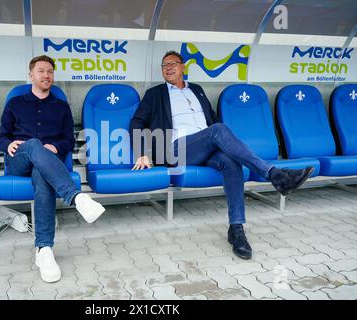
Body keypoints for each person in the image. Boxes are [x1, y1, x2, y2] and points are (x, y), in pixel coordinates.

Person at [129, 51, 314, 260]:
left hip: (206, 146)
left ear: (183, 67)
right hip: (176, 149)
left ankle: (236, 229)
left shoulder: (196, 90)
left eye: (173, 64)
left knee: (230, 161)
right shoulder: (156, 94)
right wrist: (142, 153)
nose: (168, 68)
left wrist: (223, 144)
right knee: (218, 129)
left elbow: (212, 119)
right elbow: (137, 122)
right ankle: (275, 175)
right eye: (164, 66)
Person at [0, 55, 105, 282]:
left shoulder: (61, 106)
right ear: (31, 75)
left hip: (44, 165)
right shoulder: (15, 103)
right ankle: (76, 198)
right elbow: (2, 137)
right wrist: (10, 144)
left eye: (50, 72)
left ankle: (44, 250)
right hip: (19, 161)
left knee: (42, 174)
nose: (46, 75)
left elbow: (69, 140)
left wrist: (56, 147)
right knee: (34, 143)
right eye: (41, 71)